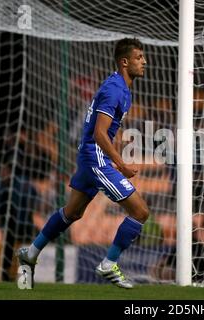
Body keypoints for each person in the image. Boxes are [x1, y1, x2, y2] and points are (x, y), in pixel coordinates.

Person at [17, 38, 149, 289]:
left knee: (72, 212)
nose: (144, 62)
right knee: (140, 211)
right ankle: (109, 264)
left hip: (89, 155)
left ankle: (31, 253)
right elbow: (100, 134)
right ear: (124, 62)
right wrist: (121, 165)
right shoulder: (115, 90)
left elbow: (107, 131)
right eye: (139, 57)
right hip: (95, 156)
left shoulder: (120, 87)